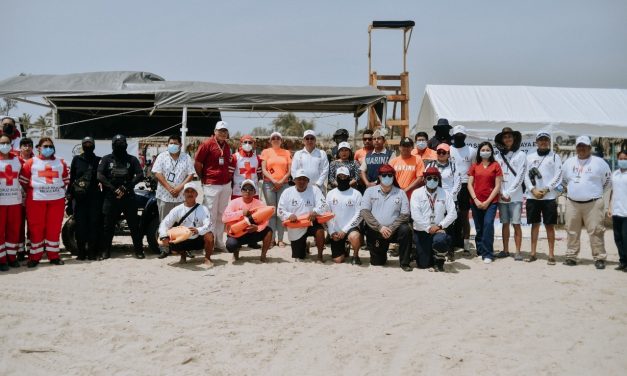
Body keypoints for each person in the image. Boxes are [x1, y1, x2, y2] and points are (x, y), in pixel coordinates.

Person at [561, 135, 612, 269]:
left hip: (593, 204)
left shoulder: (599, 162)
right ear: (576, 148)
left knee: (596, 231)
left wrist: (596, 193)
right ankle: (571, 256)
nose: (582, 148)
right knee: (571, 231)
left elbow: (607, 182)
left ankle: (599, 258)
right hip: (572, 203)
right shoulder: (568, 162)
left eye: (584, 146)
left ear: (590, 148)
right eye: (579, 146)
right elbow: (564, 180)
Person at [19, 137, 69, 268]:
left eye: (50, 146)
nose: (48, 149)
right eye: (45, 146)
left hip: (56, 201)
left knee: (54, 228)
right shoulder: (30, 162)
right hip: (36, 200)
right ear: (39, 148)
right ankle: (35, 257)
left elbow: (65, 180)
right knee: (36, 229)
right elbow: (23, 182)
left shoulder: (61, 162)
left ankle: (54, 256)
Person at [98, 134, 145, 260]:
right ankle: (105, 251)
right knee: (108, 226)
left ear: (126, 145)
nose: (120, 145)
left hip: (128, 196)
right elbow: (100, 176)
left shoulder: (132, 159)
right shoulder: (106, 159)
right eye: (117, 143)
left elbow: (140, 174)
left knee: (134, 225)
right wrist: (113, 189)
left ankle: (139, 250)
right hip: (111, 196)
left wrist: (127, 187)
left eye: (122, 143)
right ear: (112, 145)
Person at [360, 164, 412, 270]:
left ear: (393, 177)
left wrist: (391, 228)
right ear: (379, 177)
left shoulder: (401, 193)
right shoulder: (370, 191)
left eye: (390, 175)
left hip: (394, 230)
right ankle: (380, 255)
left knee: (406, 229)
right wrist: (380, 227)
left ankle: (405, 263)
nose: (387, 177)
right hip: (376, 231)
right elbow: (365, 212)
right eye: (384, 175)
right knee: (377, 263)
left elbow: (405, 215)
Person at [194, 121, 235, 252]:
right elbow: (197, 163)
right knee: (209, 214)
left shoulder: (227, 146)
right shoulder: (207, 144)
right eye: (220, 130)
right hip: (211, 183)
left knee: (221, 214)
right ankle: (209, 242)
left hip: (225, 184)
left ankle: (219, 242)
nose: (223, 133)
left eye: (225, 131)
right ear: (215, 131)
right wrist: (203, 178)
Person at [524, 131, 563, 265]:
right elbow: (525, 175)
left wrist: (547, 189)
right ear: (536, 142)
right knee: (534, 225)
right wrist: (533, 190)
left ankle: (551, 255)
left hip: (549, 197)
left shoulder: (555, 157)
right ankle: (533, 253)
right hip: (532, 196)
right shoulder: (529, 156)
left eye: (546, 140)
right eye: (541, 140)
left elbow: (558, 176)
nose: (543, 142)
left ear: (549, 142)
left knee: (549, 226)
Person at [410, 167, 457, 271]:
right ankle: (425, 253)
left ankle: (439, 262)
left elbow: (453, 213)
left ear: (439, 180)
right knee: (423, 264)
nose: (432, 180)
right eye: (429, 178)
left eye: (435, 178)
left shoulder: (445, 193)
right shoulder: (416, 193)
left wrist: (440, 226)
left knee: (441, 240)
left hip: (438, 230)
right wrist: (428, 228)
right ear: (425, 179)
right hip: (422, 231)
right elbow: (415, 214)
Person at [278, 169, 329, 262]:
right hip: (296, 224)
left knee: (320, 231)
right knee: (299, 257)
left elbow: (324, 204)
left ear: (308, 181)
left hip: (311, 221)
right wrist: (289, 215)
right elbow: (280, 210)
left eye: (304, 179)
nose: (301, 181)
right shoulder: (287, 192)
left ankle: (320, 256)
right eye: (299, 179)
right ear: (294, 180)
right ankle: (305, 246)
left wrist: (315, 211)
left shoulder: (315, 190)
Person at [158, 182, 214, 266]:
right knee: (167, 236)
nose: (190, 193)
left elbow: (209, 225)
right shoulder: (177, 209)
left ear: (196, 194)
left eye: (192, 191)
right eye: (187, 191)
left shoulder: (203, 209)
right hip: (182, 240)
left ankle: (207, 258)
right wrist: (164, 236)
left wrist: (198, 230)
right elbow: (164, 223)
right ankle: (183, 256)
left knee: (209, 235)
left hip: (197, 239)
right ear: (183, 194)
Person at [67, 137, 103, 261]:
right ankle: (81, 252)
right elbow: (72, 179)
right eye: (85, 144)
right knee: (80, 226)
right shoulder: (76, 159)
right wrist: (69, 197)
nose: (88, 145)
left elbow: (102, 179)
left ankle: (92, 252)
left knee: (94, 225)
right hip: (79, 198)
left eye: (90, 143)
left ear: (93, 145)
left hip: (94, 198)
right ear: (82, 145)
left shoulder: (98, 160)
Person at [494, 127, 527, 260]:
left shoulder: (521, 155)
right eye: (505, 137)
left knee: (516, 224)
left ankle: (518, 251)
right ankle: (505, 250)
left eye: (510, 137)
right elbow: (497, 176)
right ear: (502, 140)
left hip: (515, 196)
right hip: (502, 195)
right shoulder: (497, 156)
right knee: (505, 223)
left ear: (514, 139)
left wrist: (509, 192)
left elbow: (520, 177)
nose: (507, 139)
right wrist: (502, 192)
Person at [467, 141, 503, 264]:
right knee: (479, 227)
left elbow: (498, 186)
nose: (485, 152)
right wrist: (476, 200)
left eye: (488, 150)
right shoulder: (475, 166)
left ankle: (488, 253)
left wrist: (487, 202)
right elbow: (469, 184)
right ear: (479, 152)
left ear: (492, 151)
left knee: (488, 225)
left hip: (491, 202)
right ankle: (480, 251)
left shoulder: (496, 165)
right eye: (483, 149)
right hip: (475, 202)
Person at [425, 143, 461, 260]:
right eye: (439, 152)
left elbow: (458, 183)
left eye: (443, 152)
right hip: (433, 198)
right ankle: (433, 248)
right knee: (433, 222)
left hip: (450, 198)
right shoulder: (430, 164)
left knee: (449, 226)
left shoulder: (454, 166)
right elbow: (425, 180)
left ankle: (450, 251)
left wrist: (449, 197)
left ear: (448, 154)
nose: (441, 154)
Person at [222, 179, 273, 262]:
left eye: (250, 189)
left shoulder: (260, 203)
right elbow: (224, 218)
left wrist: (257, 228)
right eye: (245, 189)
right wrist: (241, 213)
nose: (247, 191)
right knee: (231, 246)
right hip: (237, 232)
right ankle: (235, 253)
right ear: (241, 191)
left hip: (253, 232)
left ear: (254, 192)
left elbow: (266, 221)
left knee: (269, 231)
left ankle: (263, 255)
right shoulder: (234, 202)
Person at [151, 135, 195, 222]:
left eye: (175, 143)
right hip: (164, 196)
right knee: (165, 224)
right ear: (167, 144)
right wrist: (170, 189)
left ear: (180, 145)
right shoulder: (161, 156)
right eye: (171, 143)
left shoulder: (186, 157)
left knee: (181, 224)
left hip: (181, 196)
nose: (173, 145)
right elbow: (157, 173)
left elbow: (191, 174)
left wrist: (179, 188)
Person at [326, 167, 363, 264]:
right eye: (340, 176)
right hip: (336, 230)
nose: (342, 179)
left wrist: (345, 230)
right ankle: (345, 249)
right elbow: (327, 214)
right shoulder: (330, 194)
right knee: (338, 260)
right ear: (336, 178)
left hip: (351, 228)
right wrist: (331, 232)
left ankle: (355, 256)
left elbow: (359, 215)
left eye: (345, 176)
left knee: (354, 236)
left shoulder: (356, 194)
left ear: (349, 178)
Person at [260, 131, 291, 247]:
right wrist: (274, 181)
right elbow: (264, 169)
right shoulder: (265, 152)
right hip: (269, 184)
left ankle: (281, 239)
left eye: (278, 138)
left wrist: (281, 181)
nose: (276, 139)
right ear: (270, 140)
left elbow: (289, 171)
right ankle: (272, 239)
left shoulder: (286, 152)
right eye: (273, 138)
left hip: (284, 184)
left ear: (281, 140)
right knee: (271, 212)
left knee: (281, 212)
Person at [449, 125, 475, 254]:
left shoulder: (471, 151)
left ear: (465, 136)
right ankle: (451, 243)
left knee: (464, 216)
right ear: (453, 136)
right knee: (450, 215)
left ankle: (466, 244)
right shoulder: (448, 149)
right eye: (457, 135)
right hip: (451, 186)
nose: (459, 137)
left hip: (465, 186)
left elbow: (474, 170)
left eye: (461, 135)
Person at [0, 134, 23, 270]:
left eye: (7, 143)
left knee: (13, 230)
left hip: (15, 201)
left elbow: (23, 177)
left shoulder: (17, 160)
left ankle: (11, 257)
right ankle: (2, 260)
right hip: (0, 202)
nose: (4, 145)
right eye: (2, 143)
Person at [291, 130, 329, 194]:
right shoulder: (298, 154)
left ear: (315, 140)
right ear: (303, 141)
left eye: (312, 138)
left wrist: (318, 184)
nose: (309, 140)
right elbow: (293, 170)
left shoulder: (322, 153)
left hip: (318, 188)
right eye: (307, 138)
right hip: (302, 188)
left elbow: (325, 170)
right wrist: (300, 184)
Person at [16, 137, 34, 261]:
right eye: (24, 145)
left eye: (29, 145)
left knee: (32, 225)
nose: (27, 147)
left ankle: (31, 249)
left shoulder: (36, 160)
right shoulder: (15, 160)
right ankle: (20, 250)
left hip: (32, 197)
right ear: (20, 147)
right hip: (16, 197)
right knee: (19, 225)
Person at [609, 150, 627, 272]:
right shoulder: (614, 174)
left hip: (626, 212)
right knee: (618, 238)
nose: (622, 161)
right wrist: (609, 207)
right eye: (620, 159)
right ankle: (623, 261)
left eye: (625, 158)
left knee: (626, 238)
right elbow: (612, 191)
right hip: (616, 211)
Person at [231, 135, 262, 199]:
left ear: (253, 144)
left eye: (250, 142)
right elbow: (230, 175)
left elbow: (259, 175)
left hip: (253, 191)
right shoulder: (234, 157)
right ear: (241, 143)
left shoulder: (257, 158)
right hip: (238, 191)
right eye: (245, 142)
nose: (247, 144)